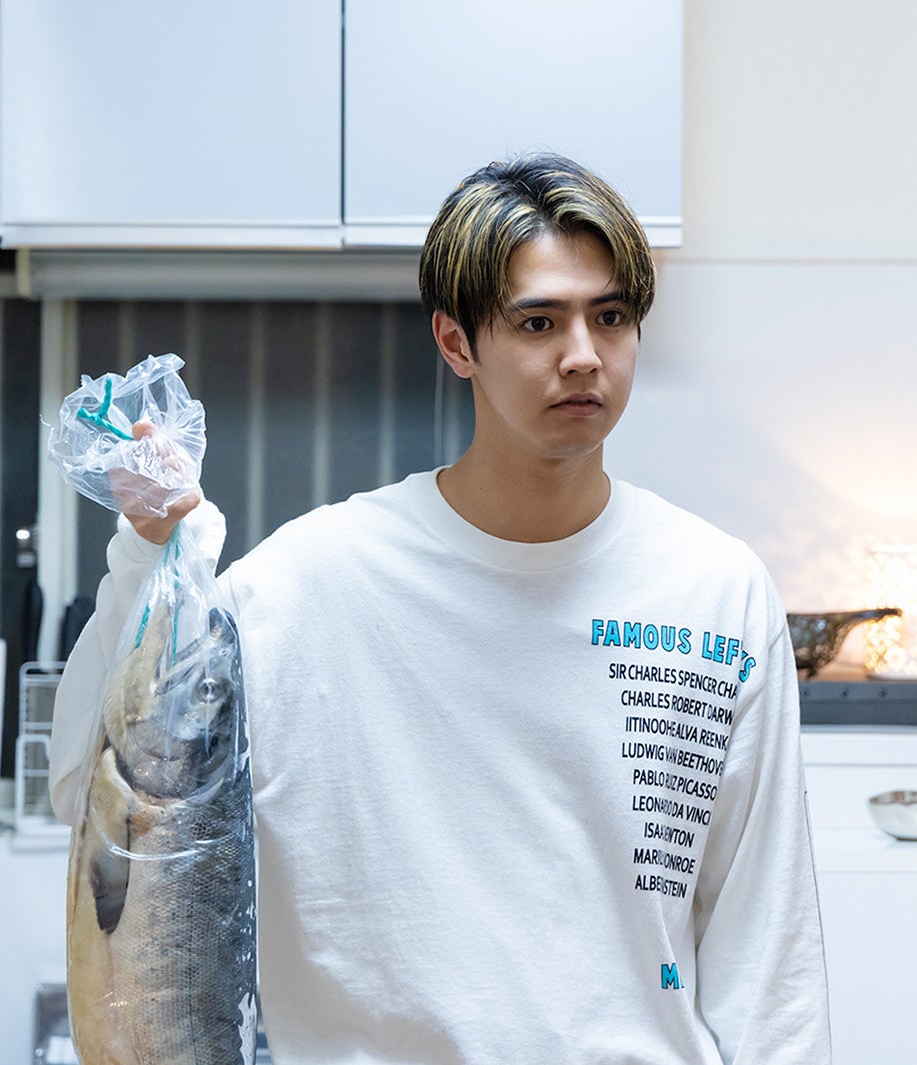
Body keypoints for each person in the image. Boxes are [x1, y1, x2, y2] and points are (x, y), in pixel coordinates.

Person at [50, 152, 831, 1064]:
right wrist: (146, 550)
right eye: (538, 321)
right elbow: (93, 792)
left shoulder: (714, 589)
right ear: (456, 343)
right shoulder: (308, 585)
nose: (584, 354)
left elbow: (767, 953)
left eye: (611, 317)